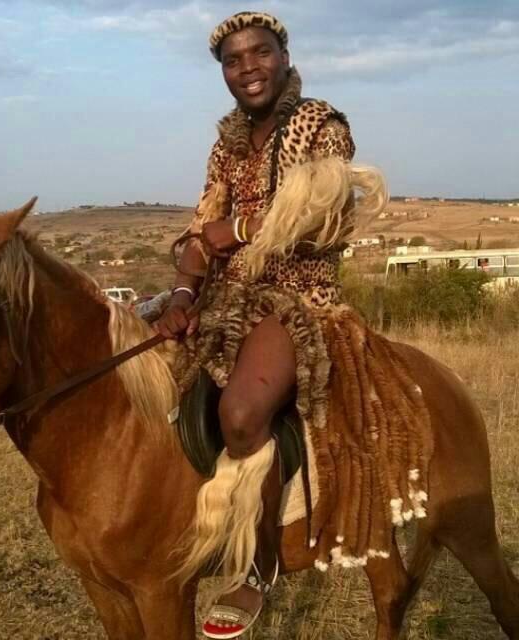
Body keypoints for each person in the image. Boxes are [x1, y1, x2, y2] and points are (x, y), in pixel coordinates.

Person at [157, 11, 388, 639]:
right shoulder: (226, 145)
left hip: (298, 296)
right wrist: (182, 294)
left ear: (284, 57)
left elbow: (323, 214)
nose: (248, 68)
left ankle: (258, 568)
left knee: (240, 413)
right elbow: (199, 230)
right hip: (226, 295)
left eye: (260, 53)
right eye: (234, 60)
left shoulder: (322, 125)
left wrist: (233, 231)